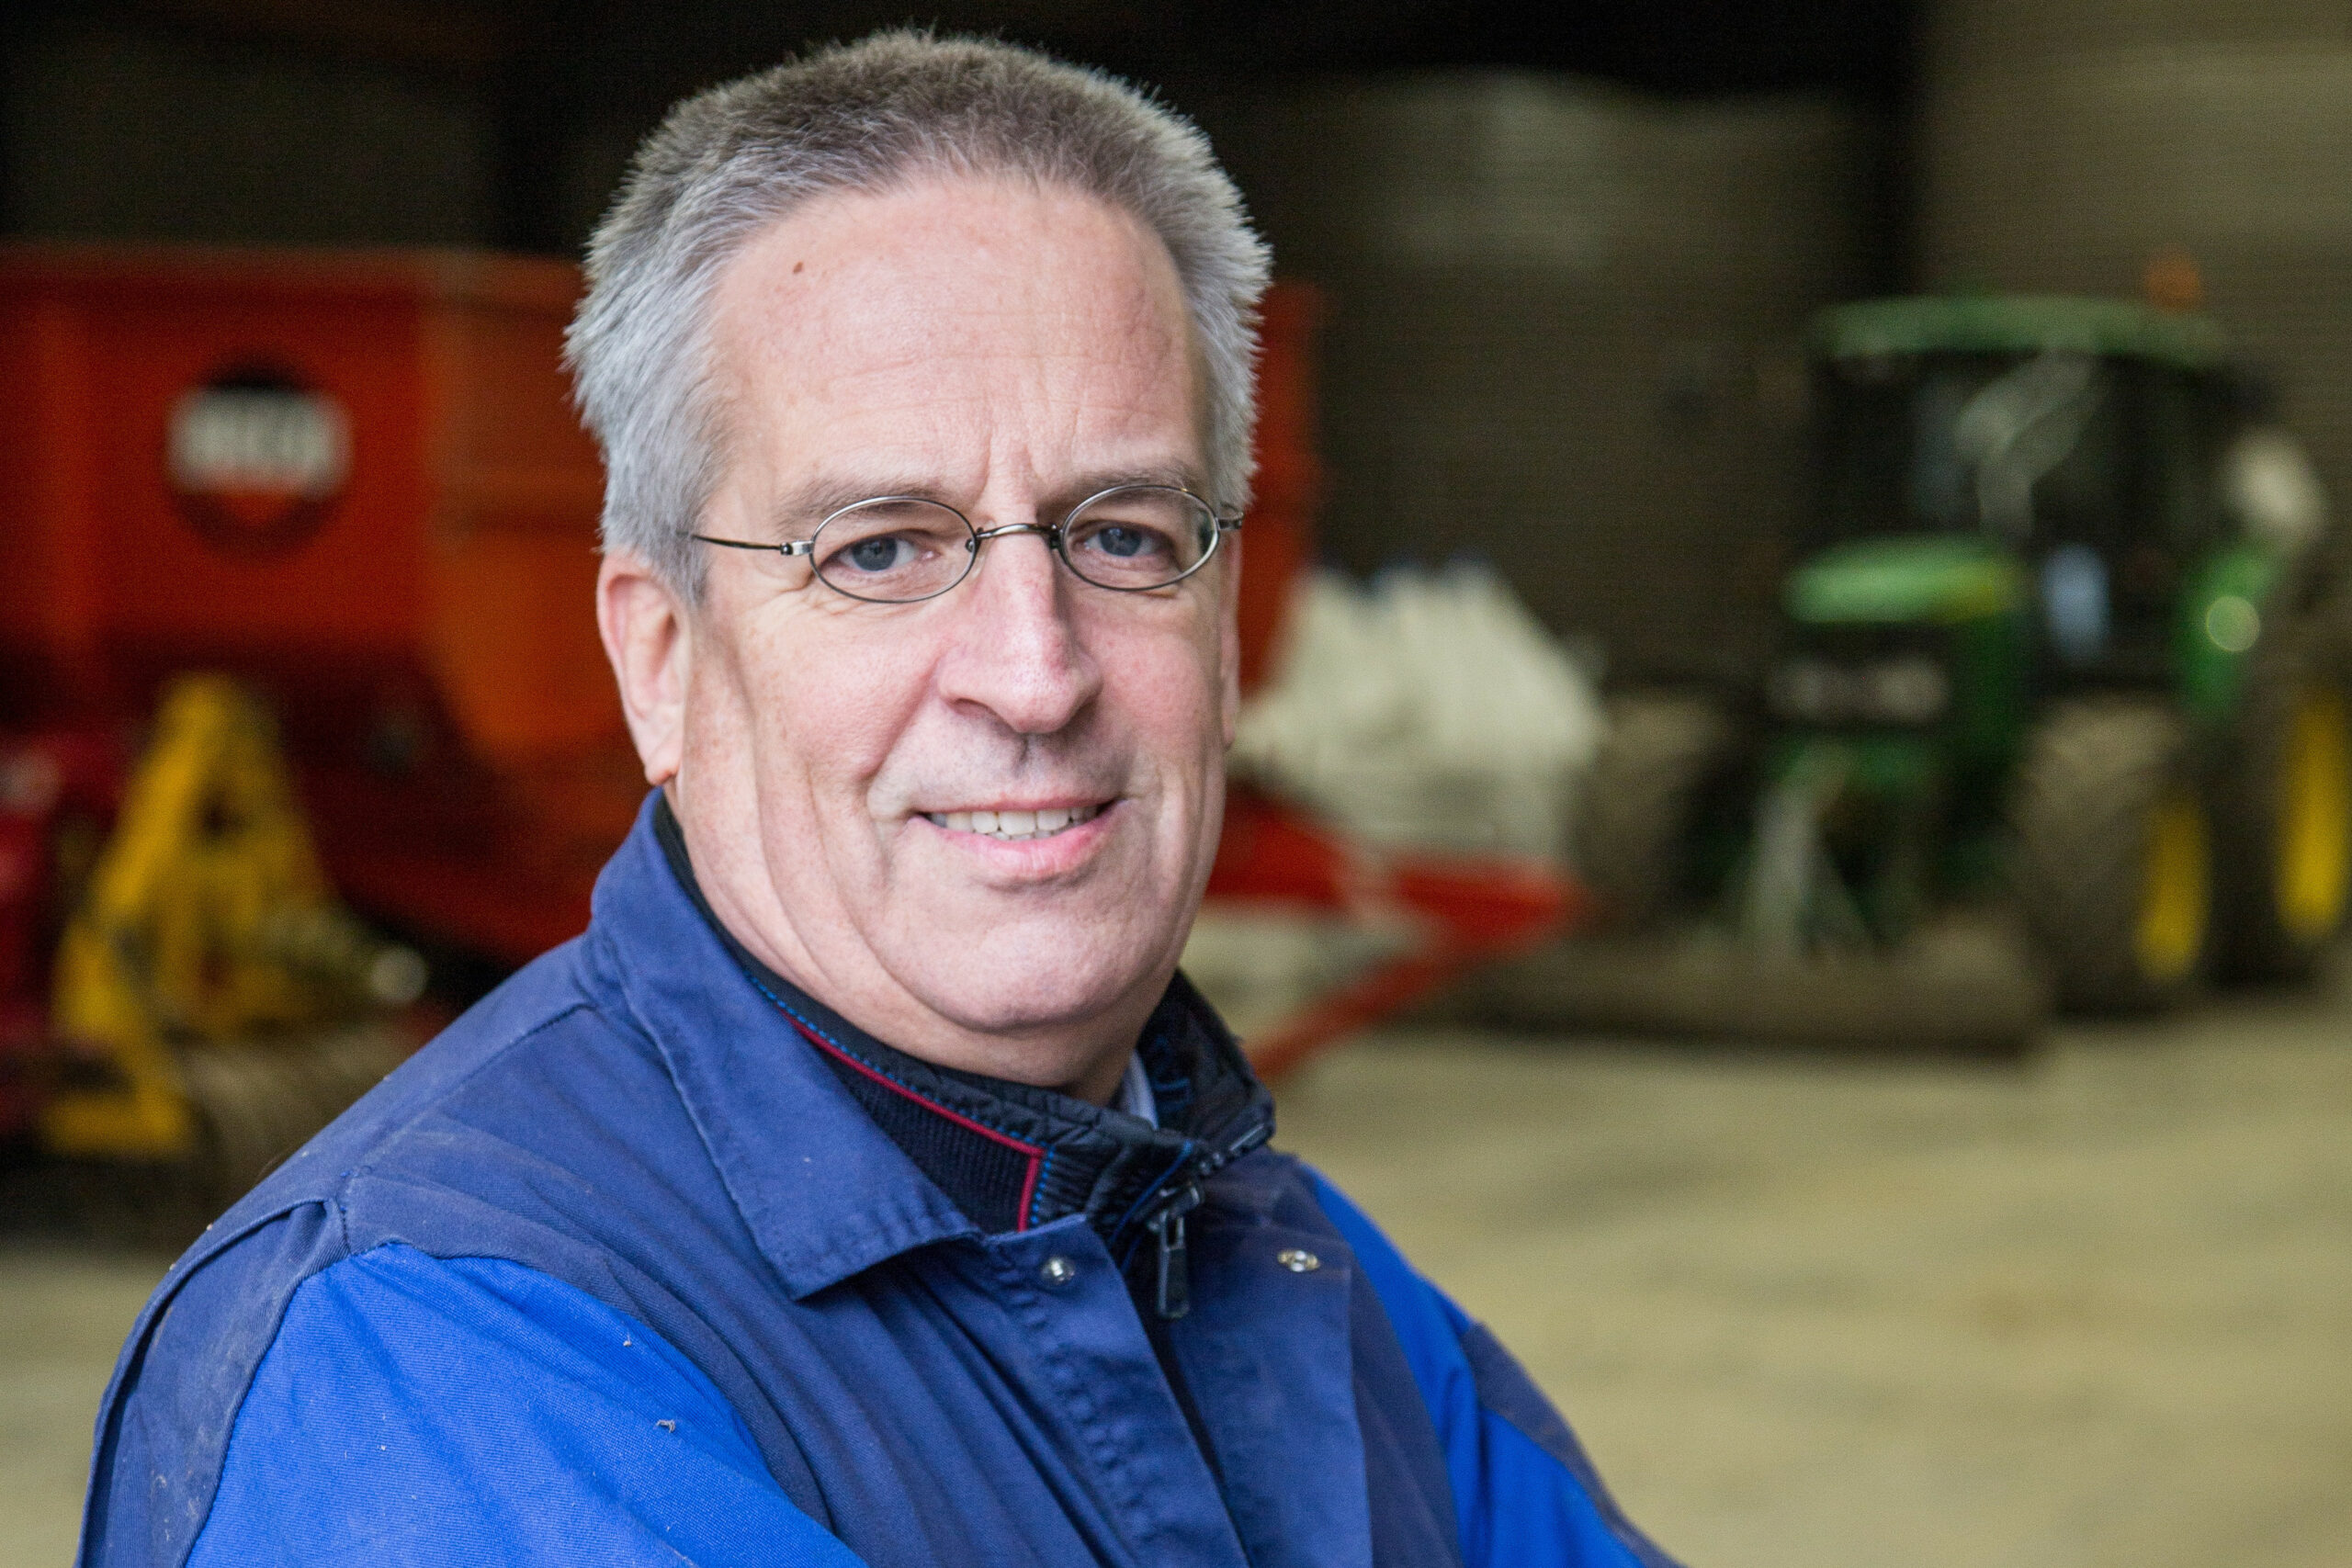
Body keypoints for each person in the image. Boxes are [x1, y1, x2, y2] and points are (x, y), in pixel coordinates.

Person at [76, 32, 1677, 1568]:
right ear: (661, 662)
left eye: (1119, 533)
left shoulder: (1296, 1272)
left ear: (1224, 602)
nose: (1034, 673)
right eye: (881, 550)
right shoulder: (427, 1356)